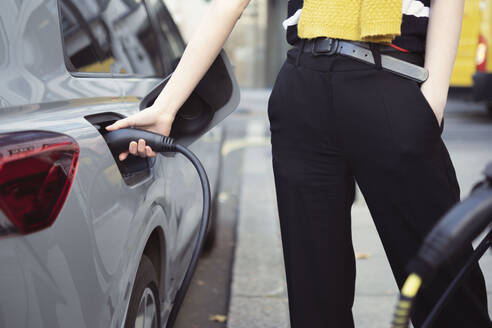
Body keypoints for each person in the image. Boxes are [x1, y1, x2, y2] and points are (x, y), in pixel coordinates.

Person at [106, 0, 491, 327]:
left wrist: (434, 96)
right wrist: (167, 106)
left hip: (392, 77)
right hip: (304, 88)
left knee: (446, 284)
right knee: (315, 297)